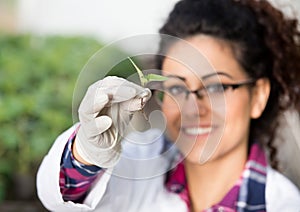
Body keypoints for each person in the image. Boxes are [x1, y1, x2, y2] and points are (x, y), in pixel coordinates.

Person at [37, 0, 300, 211]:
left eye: (216, 87)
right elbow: (64, 197)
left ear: (259, 96)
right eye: (176, 88)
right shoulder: (140, 165)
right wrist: (87, 152)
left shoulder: (284, 205)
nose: (193, 108)